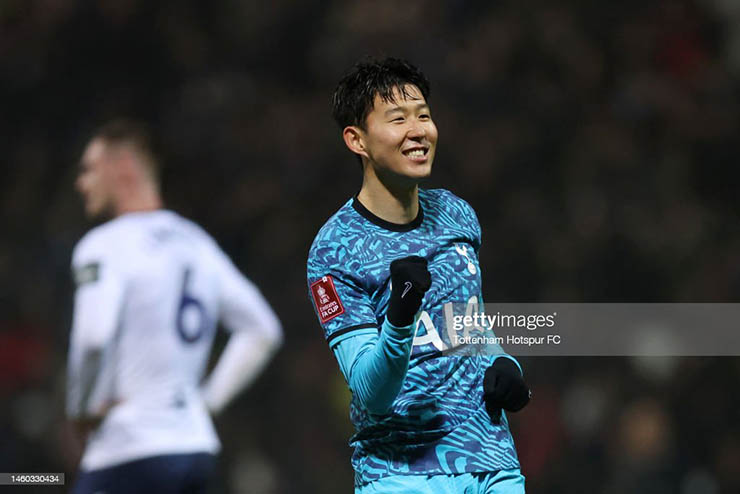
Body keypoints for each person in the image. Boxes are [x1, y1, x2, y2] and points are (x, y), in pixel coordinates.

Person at [306, 58, 530, 493]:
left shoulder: (457, 214)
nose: (419, 130)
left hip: (492, 459)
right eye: (398, 119)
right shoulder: (333, 250)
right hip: (402, 474)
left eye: (423, 115)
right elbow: (371, 394)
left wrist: (503, 359)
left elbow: (468, 322)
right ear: (357, 140)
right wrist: (400, 315)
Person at [66, 119, 283, 493]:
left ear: (123, 168)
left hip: (129, 449)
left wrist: (80, 410)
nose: (80, 183)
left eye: (89, 169)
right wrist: (206, 403)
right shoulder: (195, 242)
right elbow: (262, 330)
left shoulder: (103, 245)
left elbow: (92, 337)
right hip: (195, 450)